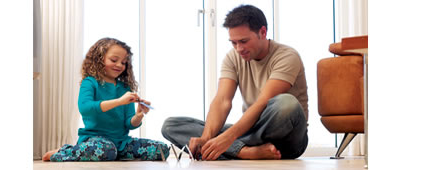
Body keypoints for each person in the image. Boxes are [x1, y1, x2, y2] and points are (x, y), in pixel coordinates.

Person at [161, 4, 308, 160]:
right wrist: (206, 137)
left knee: (286, 104)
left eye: (244, 41)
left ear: (263, 32)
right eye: (234, 42)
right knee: (171, 125)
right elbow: (222, 101)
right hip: (250, 132)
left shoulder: (287, 56)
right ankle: (246, 152)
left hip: (287, 138)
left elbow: (262, 103)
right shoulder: (233, 58)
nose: (239, 48)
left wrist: (227, 138)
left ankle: (233, 148)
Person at [43, 37, 169, 161]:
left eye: (124, 62)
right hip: (96, 141)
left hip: (122, 143)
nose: (119, 65)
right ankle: (65, 151)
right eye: (114, 60)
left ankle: (114, 154)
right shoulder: (90, 82)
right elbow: (85, 108)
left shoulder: (125, 88)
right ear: (99, 59)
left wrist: (139, 115)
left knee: (162, 149)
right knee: (105, 150)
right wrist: (119, 101)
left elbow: (129, 124)